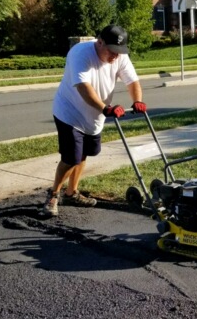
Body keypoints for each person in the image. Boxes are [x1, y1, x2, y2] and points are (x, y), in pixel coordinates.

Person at [43, 25, 145, 217]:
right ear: (100, 42)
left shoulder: (119, 56)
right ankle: (53, 195)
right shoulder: (80, 53)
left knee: (84, 154)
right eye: (112, 51)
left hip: (95, 115)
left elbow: (132, 81)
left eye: (120, 52)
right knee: (72, 156)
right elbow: (83, 87)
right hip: (70, 112)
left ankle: (72, 192)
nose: (116, 56)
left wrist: (137, 101)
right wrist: (106, 108)